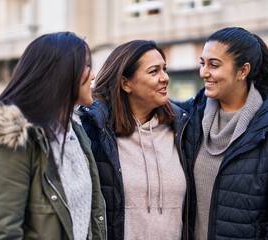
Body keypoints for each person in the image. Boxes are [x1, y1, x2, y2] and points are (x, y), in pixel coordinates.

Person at [0, 32, 106, 239]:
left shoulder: (75, 131)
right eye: (87, 66)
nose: (93, 76)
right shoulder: (13, 138)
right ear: (61, 73)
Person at [176, 26, 268, 239]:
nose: (203, 72)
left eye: (214, 65)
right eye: (202, 63)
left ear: (243, 71)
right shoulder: (189, 119)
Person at [79, 40, 190, 240]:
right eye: (154, 71)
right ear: (126, 83)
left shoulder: (181, 128)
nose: (165, 78)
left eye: (164, 69)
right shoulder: (96, 132)